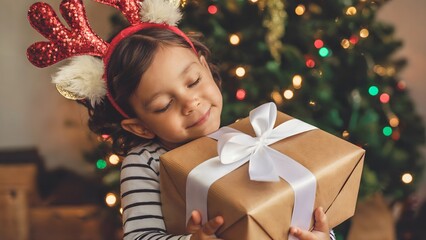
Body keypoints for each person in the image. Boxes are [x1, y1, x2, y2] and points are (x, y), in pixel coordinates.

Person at [27, 0, 335, 239]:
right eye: (163, 105)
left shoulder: (248, 138)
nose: (191, 102)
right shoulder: (145, 163)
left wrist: (321, 235)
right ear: (140, 126)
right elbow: (140, 236)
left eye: (192, 81)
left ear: (204, 66)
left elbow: (291, 202)